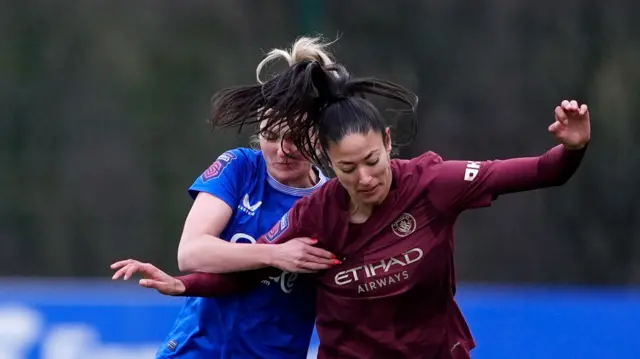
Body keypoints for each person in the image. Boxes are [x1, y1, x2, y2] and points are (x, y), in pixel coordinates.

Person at [114, 61, 590, 358]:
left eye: (371, 162)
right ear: (330, 162)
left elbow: (541, 172)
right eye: (348, 168)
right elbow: (233, 262)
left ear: (387, 143)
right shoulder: (311, 209)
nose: (364, 178)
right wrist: (184, 286)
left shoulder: (434, 184)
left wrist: (571, 149)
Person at [111, 38, 341, 359]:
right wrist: (275, 255)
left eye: (294, 138)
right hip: (196, 351)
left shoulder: (331, 202)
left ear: (318, 134)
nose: (281, 150)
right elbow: (191, 253)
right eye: (270, 136)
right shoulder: (240, 167)